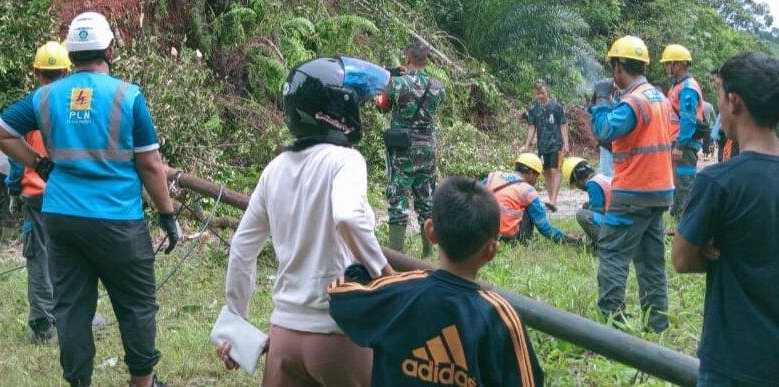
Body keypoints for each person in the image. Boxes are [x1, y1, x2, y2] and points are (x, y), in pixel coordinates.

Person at [0, 12, 179, 387]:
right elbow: (151, 165)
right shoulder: (128, 96)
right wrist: (167, 215)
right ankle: (143, 383)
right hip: (118, 220)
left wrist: (38, 163)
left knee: (72, 309)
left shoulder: (45, 96)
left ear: (71, 54)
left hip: (61, 217)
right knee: (136, 305)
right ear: (110, 49)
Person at [218, 56, 392, 386]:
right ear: (340, 110)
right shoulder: (346, 161)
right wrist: (385, 274)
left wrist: (236, 323)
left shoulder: (276, 168)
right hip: (336, 333)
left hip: (284, 336)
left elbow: (242, 248)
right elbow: (347, 216)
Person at [673, 52, 779, 386]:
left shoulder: (719, 181)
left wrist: (715, 247)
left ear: (735, 101)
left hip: (737, 362)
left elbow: (682, 259)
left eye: (719, 94)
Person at [328, 176, 545, 387]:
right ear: (491, 251)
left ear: (430, 232)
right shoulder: (500, 316)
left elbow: (340, 296)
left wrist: (360, 270)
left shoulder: (397, 293)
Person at [589, 35, 674, 333]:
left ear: (619, 67)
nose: (612, 74)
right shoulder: (658, 97)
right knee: (651, 262)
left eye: (613, 66)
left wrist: (600, 100)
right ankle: (657, 324)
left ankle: (612, 324)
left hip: (633, 191)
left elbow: (603, 130)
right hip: (659, 191)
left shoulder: (633, 102)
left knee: (613, 254)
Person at [3, 41, 71, 344]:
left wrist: (13, 189)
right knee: (71, 259)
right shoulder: (76, 106)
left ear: (36, 72)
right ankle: (73, 315)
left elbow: (17, 155)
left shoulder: (31, 106)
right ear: (67, 71)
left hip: (37, 196)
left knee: (39, 258)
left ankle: (43, 325)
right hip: (70, 195)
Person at [376, 43, 444, 257]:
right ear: (426, 61)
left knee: (398, 199)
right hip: (428, 150)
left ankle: (396, 254)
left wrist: (388, 82)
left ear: (407, 59)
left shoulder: (397, 84)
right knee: (426, 200)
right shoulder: (438, 86)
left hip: (404, 150)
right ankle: (428, 253)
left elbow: (382, 104)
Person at [483, 153, 577, 244]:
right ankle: (524, 239)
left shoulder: (494, 176)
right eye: (537, 176)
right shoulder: (528, 191)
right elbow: (543, 227)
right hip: (507, 238)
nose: (535, 180)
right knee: (531, 209)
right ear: (532, 173)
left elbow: (474, 194)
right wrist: (565, 238)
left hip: (485, 234)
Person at [660, 44, 704, 220]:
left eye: (667, 64)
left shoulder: (687, 88)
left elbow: (687, 119)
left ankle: (682, 218)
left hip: (683, 144)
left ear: (676, 65)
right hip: (677, 142)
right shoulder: (677, 86)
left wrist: (680, 145)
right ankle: (677, 215)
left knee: (684, 181)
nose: (665, 68)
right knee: (677, 180)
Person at [522, 79, 569, 211]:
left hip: (556, 143)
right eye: (538, 94)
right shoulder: (533, 109)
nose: (541, 96)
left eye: (542, 92)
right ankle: (550, 199)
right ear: (535, 94)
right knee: (547, 171)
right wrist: (527, 145)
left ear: (547, 90)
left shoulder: (556, 106)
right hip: (542, 145)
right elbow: (532, 127)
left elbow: (563, 125)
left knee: (555, 170)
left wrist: (566, 144)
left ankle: (554, 199)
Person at [562, 156, 612, 248]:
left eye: (575, 185)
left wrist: (585, 238)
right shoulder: (600, 178)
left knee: (582, 214)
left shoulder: (593, 184)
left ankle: (605, 245)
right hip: (620, 219)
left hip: (616, 225)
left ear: (577, 180)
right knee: (586, 206)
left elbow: (597, 210)